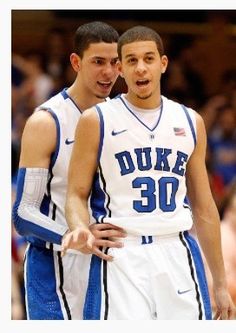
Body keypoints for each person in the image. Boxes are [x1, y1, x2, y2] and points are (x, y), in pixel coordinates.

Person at [62, 25, 236, 320]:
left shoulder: (190, 121)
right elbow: (76, 194)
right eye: (131, 60)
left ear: (163, 64)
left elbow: (205, 208)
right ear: (119, 68)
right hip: (122, 253)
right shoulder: (96, 121)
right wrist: (79, 226)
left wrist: (219, 283)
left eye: (148, 58)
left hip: (176, 248)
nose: (141, 68)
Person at [12, 21, 126, 320]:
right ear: (76, 62)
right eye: (98, 62)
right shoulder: (47, 122)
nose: (109, 72)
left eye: (115, 63)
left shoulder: (122, 118)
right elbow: (23, 213)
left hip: (108, 266)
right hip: (53, 265)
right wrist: (75, 234)